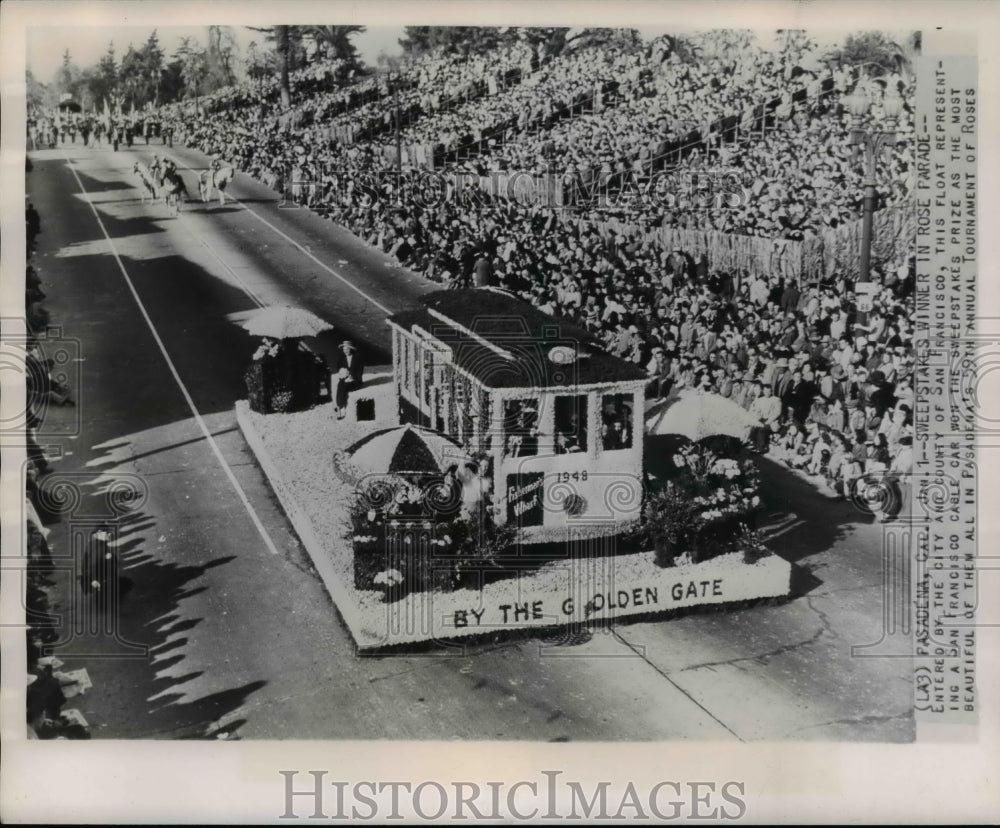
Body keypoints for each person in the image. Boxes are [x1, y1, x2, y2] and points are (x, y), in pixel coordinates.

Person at [334, 340, 365, 419]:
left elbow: (360, 371)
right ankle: (340, 407)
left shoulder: (357, 358)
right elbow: (338, 369)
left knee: (344, 386)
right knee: (340, 384)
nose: (345, 352)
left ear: (351, 349)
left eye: (347, 350)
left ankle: (341, 409)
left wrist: (352, 377)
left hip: (355, 381)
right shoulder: (341, 358)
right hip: (345, 380)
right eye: (344, 350)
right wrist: (342, 374)